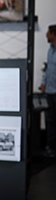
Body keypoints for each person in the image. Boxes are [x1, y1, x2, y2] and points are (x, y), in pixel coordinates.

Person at [42, 24, 56, 158]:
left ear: (53, 34)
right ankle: (51, 147)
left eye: (48, 33)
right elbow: (48, 69)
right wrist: (43, 83)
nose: (46, 36)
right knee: (50, 120)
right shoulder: (50, 50)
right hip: (50, 91)